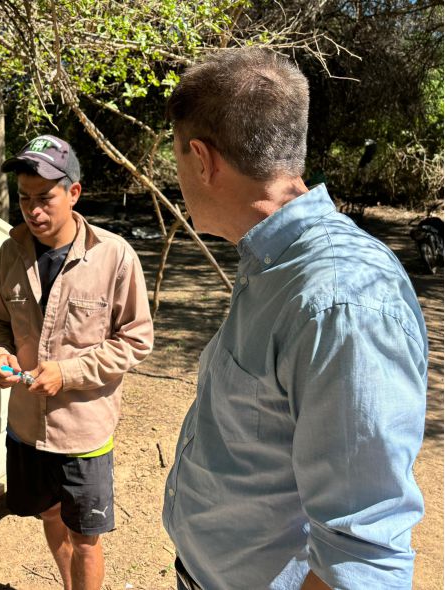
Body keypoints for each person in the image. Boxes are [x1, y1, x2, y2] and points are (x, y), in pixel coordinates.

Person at [162, 48, 427, 590]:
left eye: (176, 161)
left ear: (203, 160)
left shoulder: (339, 303)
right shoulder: (273, 262)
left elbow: (362, 561)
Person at [0, 134, 154, 590]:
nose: (33, 211)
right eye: (24, 199)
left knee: (85, 537)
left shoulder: (114, 255)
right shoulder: (10, 253)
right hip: (26, 427)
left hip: (82, 430)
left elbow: (136, 340)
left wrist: (70, 372)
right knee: (48, 514)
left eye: (45, 198)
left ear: (73, 192)